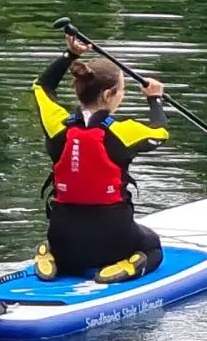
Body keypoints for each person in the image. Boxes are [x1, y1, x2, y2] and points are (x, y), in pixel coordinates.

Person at [31, 30, 168, 282]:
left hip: (64, 239)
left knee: (55, 243)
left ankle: (49, 256)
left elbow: (41, 87)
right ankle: (128, 266)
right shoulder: (125, 131)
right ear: (108, 95)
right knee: (153, 247)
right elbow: (160, 133)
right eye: (122, 91)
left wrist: (69, 55)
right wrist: (155, 99)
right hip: (115, 240)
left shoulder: (56, 125)